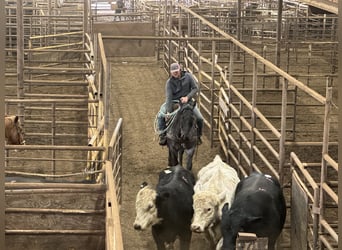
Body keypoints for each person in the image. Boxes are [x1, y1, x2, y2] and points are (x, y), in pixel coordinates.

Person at [157, 62, 204, 146]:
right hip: (174, 102)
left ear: (180, 70)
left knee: (200, 118)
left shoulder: (188, 76)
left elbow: (195, 88)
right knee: (160, 116)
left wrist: (187, 97)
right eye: (173, 71)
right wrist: (169, 111)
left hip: (188, 102)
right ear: (171, 72)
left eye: (177, 71)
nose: (175, 73)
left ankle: (199, 136)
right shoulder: (169, 83)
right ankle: (162, 135)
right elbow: (168, 98)